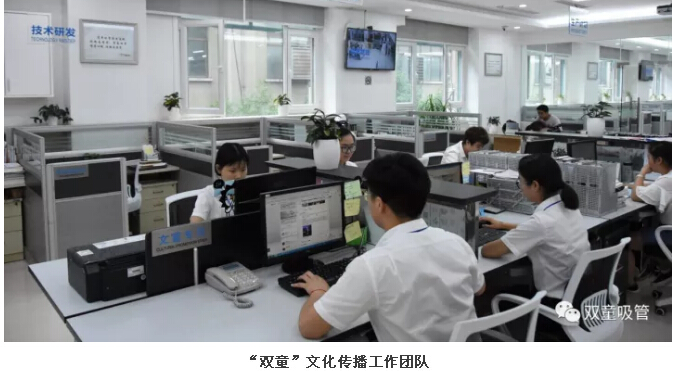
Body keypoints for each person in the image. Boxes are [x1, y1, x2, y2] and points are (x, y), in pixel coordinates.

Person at [291, 153, 485, 341]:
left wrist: (318, 291)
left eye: (368, 195)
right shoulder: (456, 243)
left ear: (379, 204)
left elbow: (309, 327)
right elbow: (480, 289)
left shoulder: (372, 266)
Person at [480, 154, 590, 302]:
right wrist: (503, 225)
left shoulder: (541, 222)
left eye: (520, 181)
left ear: (535, 185)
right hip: (577, 293)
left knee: (494, 294)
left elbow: (488, 251)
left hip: (552, 301)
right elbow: (544, 231)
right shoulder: (567, 205)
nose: (520, 187)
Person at [627, 141, 672, 291]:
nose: (648, 162)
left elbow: (635, 195)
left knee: (627, 239)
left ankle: (631, 284)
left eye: (649, 158)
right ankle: (664, 268)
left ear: (658, 160)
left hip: (669, 235)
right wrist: (639, 185)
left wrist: (642, 172)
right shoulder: (668, 179)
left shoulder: (666, 181)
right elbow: (656, 188)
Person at [189, 143, 249, 223]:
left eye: (243, 169)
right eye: (233, 171)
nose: (239, 176)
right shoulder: (208, 195)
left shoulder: (250, 192)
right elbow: (195, 225)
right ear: (219, 169)